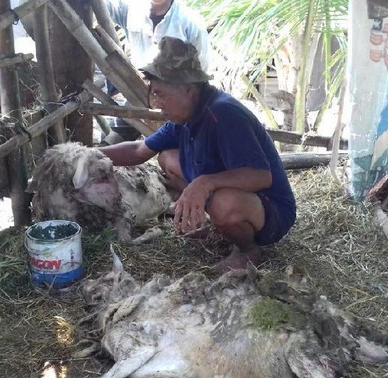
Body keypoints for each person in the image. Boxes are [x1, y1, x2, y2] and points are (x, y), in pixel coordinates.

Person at [100, 37, 296, 272]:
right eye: (154, 95)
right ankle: (220, 226)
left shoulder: (224, 114)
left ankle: (247, 250)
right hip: (244, 199)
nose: (156, 103)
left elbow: (261, 176)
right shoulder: (185, 117)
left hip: (271, 214)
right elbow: (138, 150)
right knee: (167, 157)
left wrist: (206, 183)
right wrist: (86, 154)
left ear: (188, 89)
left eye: (161, 94)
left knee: (223, 203)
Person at [104, 0, 210, 142]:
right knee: (110, 145)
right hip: (138, 92)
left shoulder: (190, 23)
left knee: (172, 154)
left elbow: (201, 72)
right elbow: (101, 1)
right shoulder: (131, 9)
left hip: (174, 101)